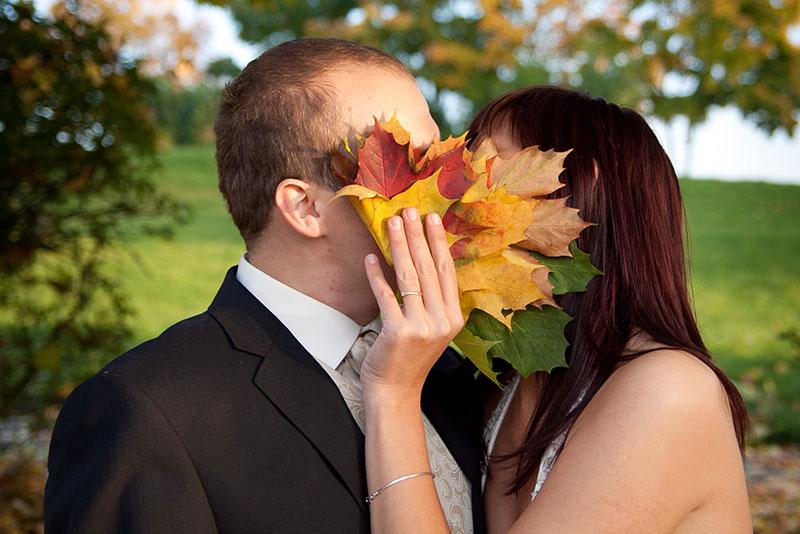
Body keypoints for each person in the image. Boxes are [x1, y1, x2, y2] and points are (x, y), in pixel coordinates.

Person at [44, 38, 486, 533]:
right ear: (306, 208)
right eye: (413, 163)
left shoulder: (448, 367)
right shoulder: (147, 411)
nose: (453, 184)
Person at [358, 86, 753, 533]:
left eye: (485, 164)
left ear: (579, 190)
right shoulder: (510, 378)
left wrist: (393, 395)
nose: (456, 187)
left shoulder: (668, 392)